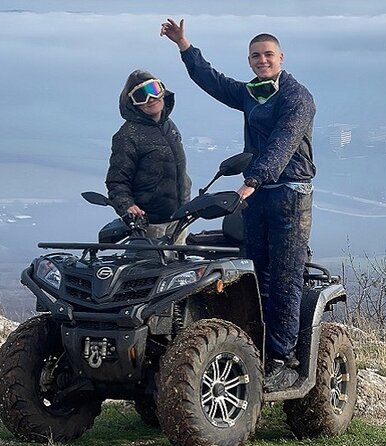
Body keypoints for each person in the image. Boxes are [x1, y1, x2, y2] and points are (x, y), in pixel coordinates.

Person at [161, 18, 316, 391]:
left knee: (284, 277)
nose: (261, 61)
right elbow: (214, 82)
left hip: (290, 194)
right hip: (259, 194)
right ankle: (255, 352)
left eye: (268, 55)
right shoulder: (253, 92)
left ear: (281, 57)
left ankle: (285, 361)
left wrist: (253, 178)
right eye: (255, 56)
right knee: (255, 274)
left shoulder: (297, 97)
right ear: (249, 61)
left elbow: (285, 141)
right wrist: (185, 46)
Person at [105, 69, 192, 244]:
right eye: (140, 95)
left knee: (180, 269)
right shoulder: (127, 135)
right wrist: (127, 206)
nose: (150, 98)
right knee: (152, 270)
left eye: (153, 89)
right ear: (132, 103)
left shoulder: (168, 125)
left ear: (163, 91)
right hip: (150, 224)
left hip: (180, 218)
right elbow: (116, 181)